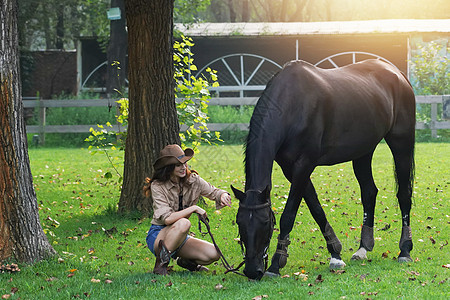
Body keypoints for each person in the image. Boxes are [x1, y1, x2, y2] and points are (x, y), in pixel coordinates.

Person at [144, 144, 232, 275]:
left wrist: (223, 195)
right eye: (178, 165)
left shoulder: (193, 181)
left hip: (181, 235)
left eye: (184, 163)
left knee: (214, 254)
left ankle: (185, 261)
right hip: (159, 235)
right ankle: (160, 266)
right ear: (168, 168)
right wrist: (194, 208)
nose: (183, 167)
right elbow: (167, 219)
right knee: (184, 223)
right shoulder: (158, 186)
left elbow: (214, 192)